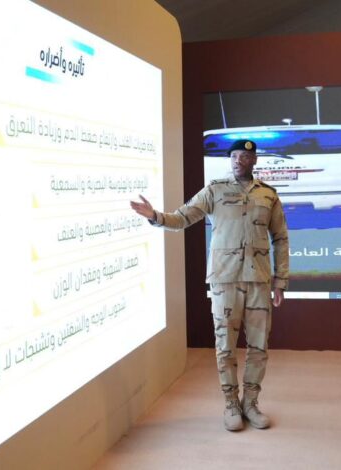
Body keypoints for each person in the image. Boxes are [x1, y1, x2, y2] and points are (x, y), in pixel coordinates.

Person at [130, 139, 289, 431]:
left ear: (254, 160)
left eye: (245, 156)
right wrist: (155, 216)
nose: (238, 160)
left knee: (258, 347)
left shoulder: (268, 195)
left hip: (258, 280)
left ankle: (251, 403)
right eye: (234, 156)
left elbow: (280, 238)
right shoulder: (214, 190)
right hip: (223, 280)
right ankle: (231, 404)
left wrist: (280, 280)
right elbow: (182, 218)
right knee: (225, 346)